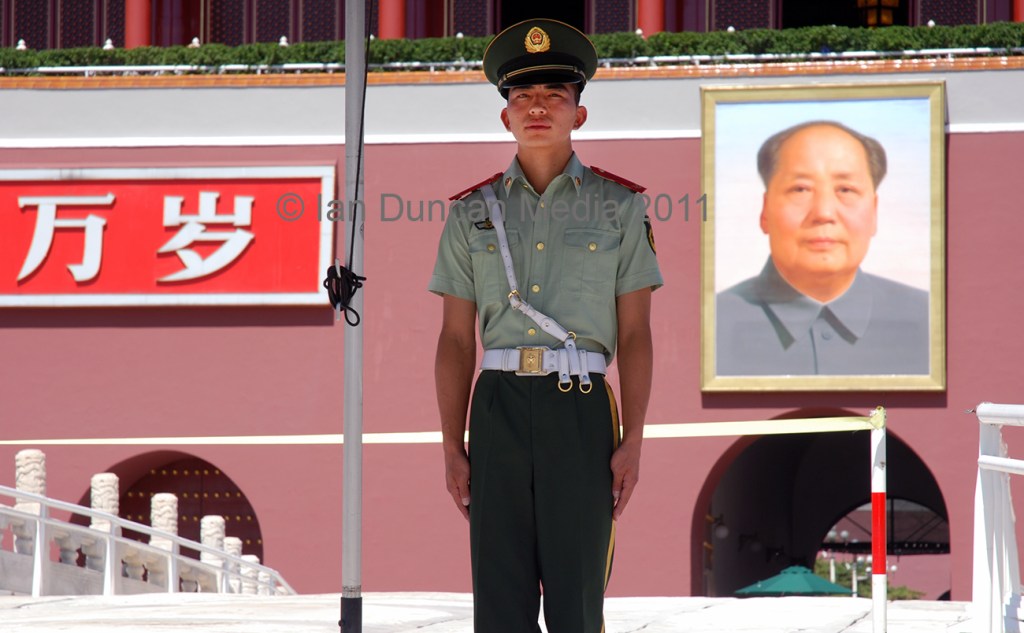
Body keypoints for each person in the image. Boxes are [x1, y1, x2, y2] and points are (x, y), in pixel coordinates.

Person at [428, 18, 663, 633]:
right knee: (498, 600)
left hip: (579, 406)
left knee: (576, 597)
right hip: (497, 407)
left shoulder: (620, 206)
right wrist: (452, 445)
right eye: (523, 96)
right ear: (505, 116)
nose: (537, 107)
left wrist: (634, 439)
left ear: (579, 114)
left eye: (554, 95)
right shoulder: (471, 213)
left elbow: (635, 334)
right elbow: (455, 339)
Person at [716, 120, 929, 376]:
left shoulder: (931, 319)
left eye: (846, 189)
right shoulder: (710, 324)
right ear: (765, 212)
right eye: (800, 189)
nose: (824, 213)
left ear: (874, 212)